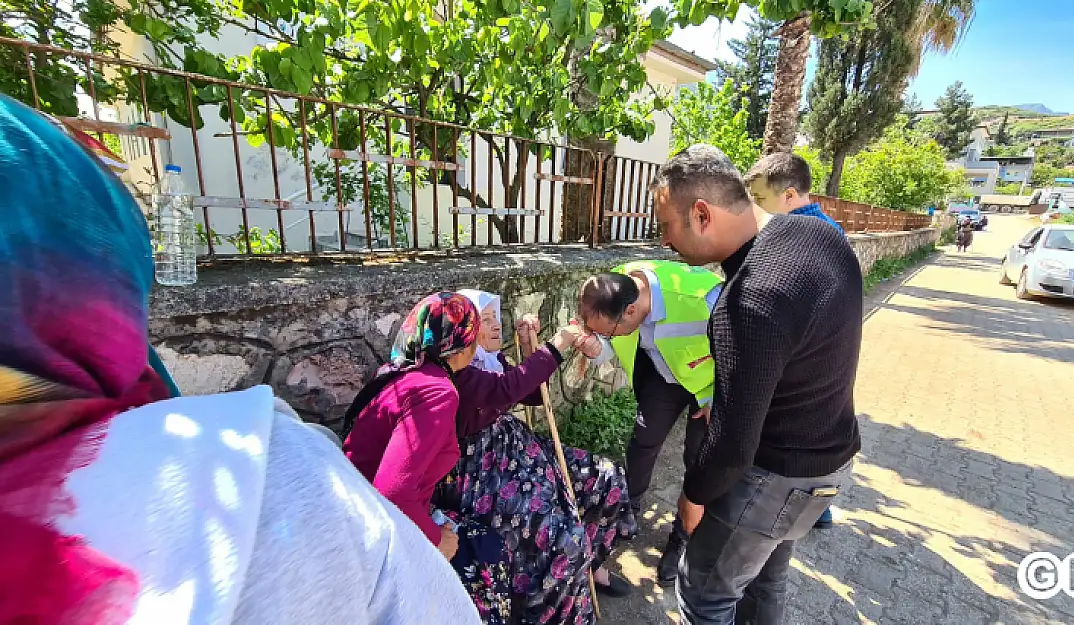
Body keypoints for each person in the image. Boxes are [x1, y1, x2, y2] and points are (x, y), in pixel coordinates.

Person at [0, 95, 481, 625]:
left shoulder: (400, 373)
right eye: (482, 334)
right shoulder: (255, 475)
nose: (486, 345)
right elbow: (398, 510)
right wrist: (438, 539)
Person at [651, 144, 862, 625]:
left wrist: (695, 490)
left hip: (773, 477)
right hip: (826, 466)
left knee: (704, 594)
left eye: (666, 226)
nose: (664, 242)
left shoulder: (747, 298)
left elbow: (732, 446)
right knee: (764, 581)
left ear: (702, 215)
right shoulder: (819, 234)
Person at [433, 290, 637, 624]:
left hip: (513, 447)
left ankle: (592, 569)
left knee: (605, 475)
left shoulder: (491, 360)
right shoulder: (459, 372)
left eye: (495, 317)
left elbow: (529, 394)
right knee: (560, 535)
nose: (496, 326)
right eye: (484, 321)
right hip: (477, 470)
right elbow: (505, 389)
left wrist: (530, 348)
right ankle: (553, 608)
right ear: (464, 334)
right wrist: (557, 343)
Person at [342, 292, 512, 623]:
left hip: (365, 503)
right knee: (488, 564)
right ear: (464, 345)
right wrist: (437, 542)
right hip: (378, 524)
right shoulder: (437, 391)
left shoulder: (403, 368)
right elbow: (392, 491)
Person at [576, 260, 722, 583]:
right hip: (664, 377)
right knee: (642, 445)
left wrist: (720, 399)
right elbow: (608, 345)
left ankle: (682, 541)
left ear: (630, 313)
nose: (604, 337)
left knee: (698, 463)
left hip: (711, 387)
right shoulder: (618, 286)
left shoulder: (704, 298)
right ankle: (623, 515)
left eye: (605, 331)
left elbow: (742, 350)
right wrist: (591, 346)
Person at [745, 153, 850, 530]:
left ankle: (807, 508)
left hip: (803, 354)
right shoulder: (829, 229)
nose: (754, 208)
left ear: (789, 195)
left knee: (797, 430)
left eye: (759, 199)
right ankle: (814, 508)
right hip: (824, 351)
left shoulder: (799, 236)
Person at [743, 152, 843, 233]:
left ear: (789, 196)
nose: (754, 205)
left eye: (759, 198)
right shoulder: (832, 228)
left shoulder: (788, 234)